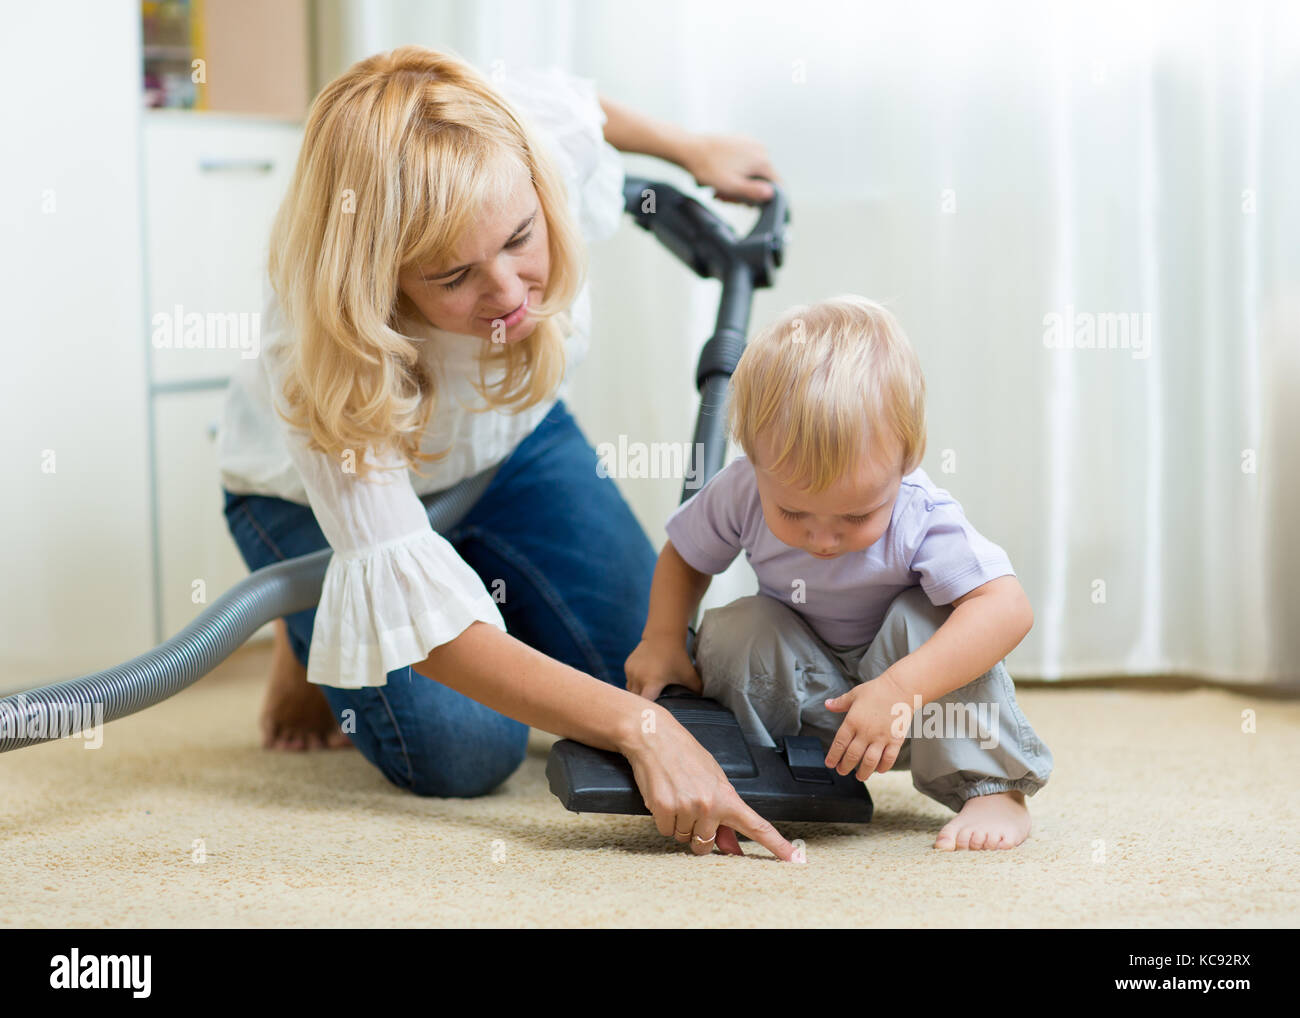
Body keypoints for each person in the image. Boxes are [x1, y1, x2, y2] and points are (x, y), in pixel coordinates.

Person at [217, 45, 795, 860]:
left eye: (520, 237)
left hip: (509, 445)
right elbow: (438, 638)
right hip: (314, 498)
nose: (510, 293)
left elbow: (584, 105)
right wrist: (639, 730)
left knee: (650, 658)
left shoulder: (518, 134)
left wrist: (694, 150)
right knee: (464, 752)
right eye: (453, 276)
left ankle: (473, 572)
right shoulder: (322, 349)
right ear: (384, 280)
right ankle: (307, 614)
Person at [624, 296, 1055, 850]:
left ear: (907, 459)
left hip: (915, 710)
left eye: (855, 516)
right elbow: (685, 555)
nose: (822, 539)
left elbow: (1007, 608)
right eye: (794, 513)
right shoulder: (742, 489)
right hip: (808, 702)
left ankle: (993, 788)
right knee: (737, 626)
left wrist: (901, 688)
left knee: (927, 614)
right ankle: (755, 776)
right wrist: (661, 639)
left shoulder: (920, 512)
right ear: (753, 459)